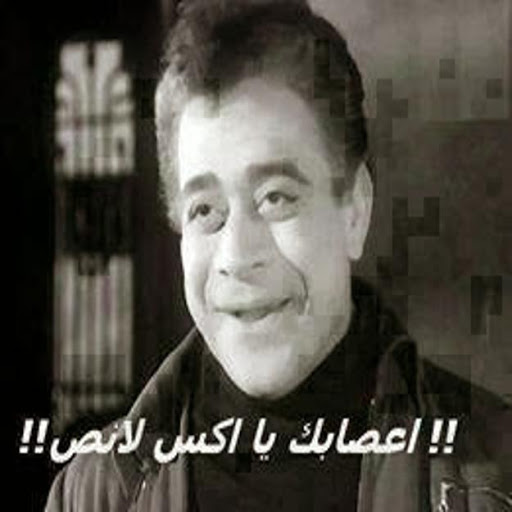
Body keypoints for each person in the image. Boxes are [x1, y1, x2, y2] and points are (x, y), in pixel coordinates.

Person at [46, 1, 511, 510]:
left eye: (276, 198)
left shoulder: (496, 474)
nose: (237, 255)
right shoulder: (92, 494)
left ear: (354, 210)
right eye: (205, 210)